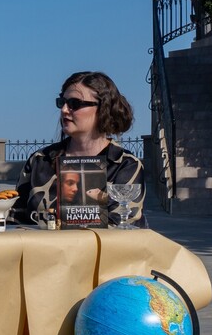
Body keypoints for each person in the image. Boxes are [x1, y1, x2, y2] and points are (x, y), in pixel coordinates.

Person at [13, 71, 146, 226]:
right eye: (62, 102)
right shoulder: (40, 160)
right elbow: (15, 219)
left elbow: (122, 225)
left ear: (103, 108)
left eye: (74, 104)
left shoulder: (125, 165)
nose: (64, 110)